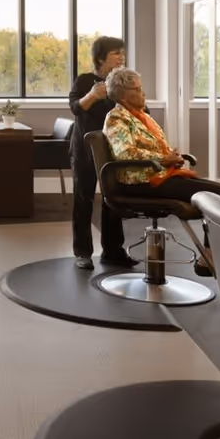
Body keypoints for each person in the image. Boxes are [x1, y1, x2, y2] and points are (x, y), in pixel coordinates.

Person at [102, 67, 220, 228]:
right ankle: (214, 243)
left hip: (161, 176)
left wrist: (172, 158)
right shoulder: (116, 118)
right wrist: (164, 159)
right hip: (141, 182)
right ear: (123, 95)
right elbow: (125, 153)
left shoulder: (143, 117)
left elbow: (155, 149)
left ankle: (212, 242)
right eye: (138, 89)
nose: (143, 93)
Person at [68, 36, 135, 270]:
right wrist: (93, 95)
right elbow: (75, 107)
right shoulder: (85, 80)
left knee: (112, 200)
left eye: (122, 53)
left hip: (112, 151)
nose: (122, 57)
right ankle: (83, 253)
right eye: (116, 53)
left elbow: (140, 108)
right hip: (84, 151)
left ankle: (113, 251)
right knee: (83, 199)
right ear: (100, 58)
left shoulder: (122, 83)